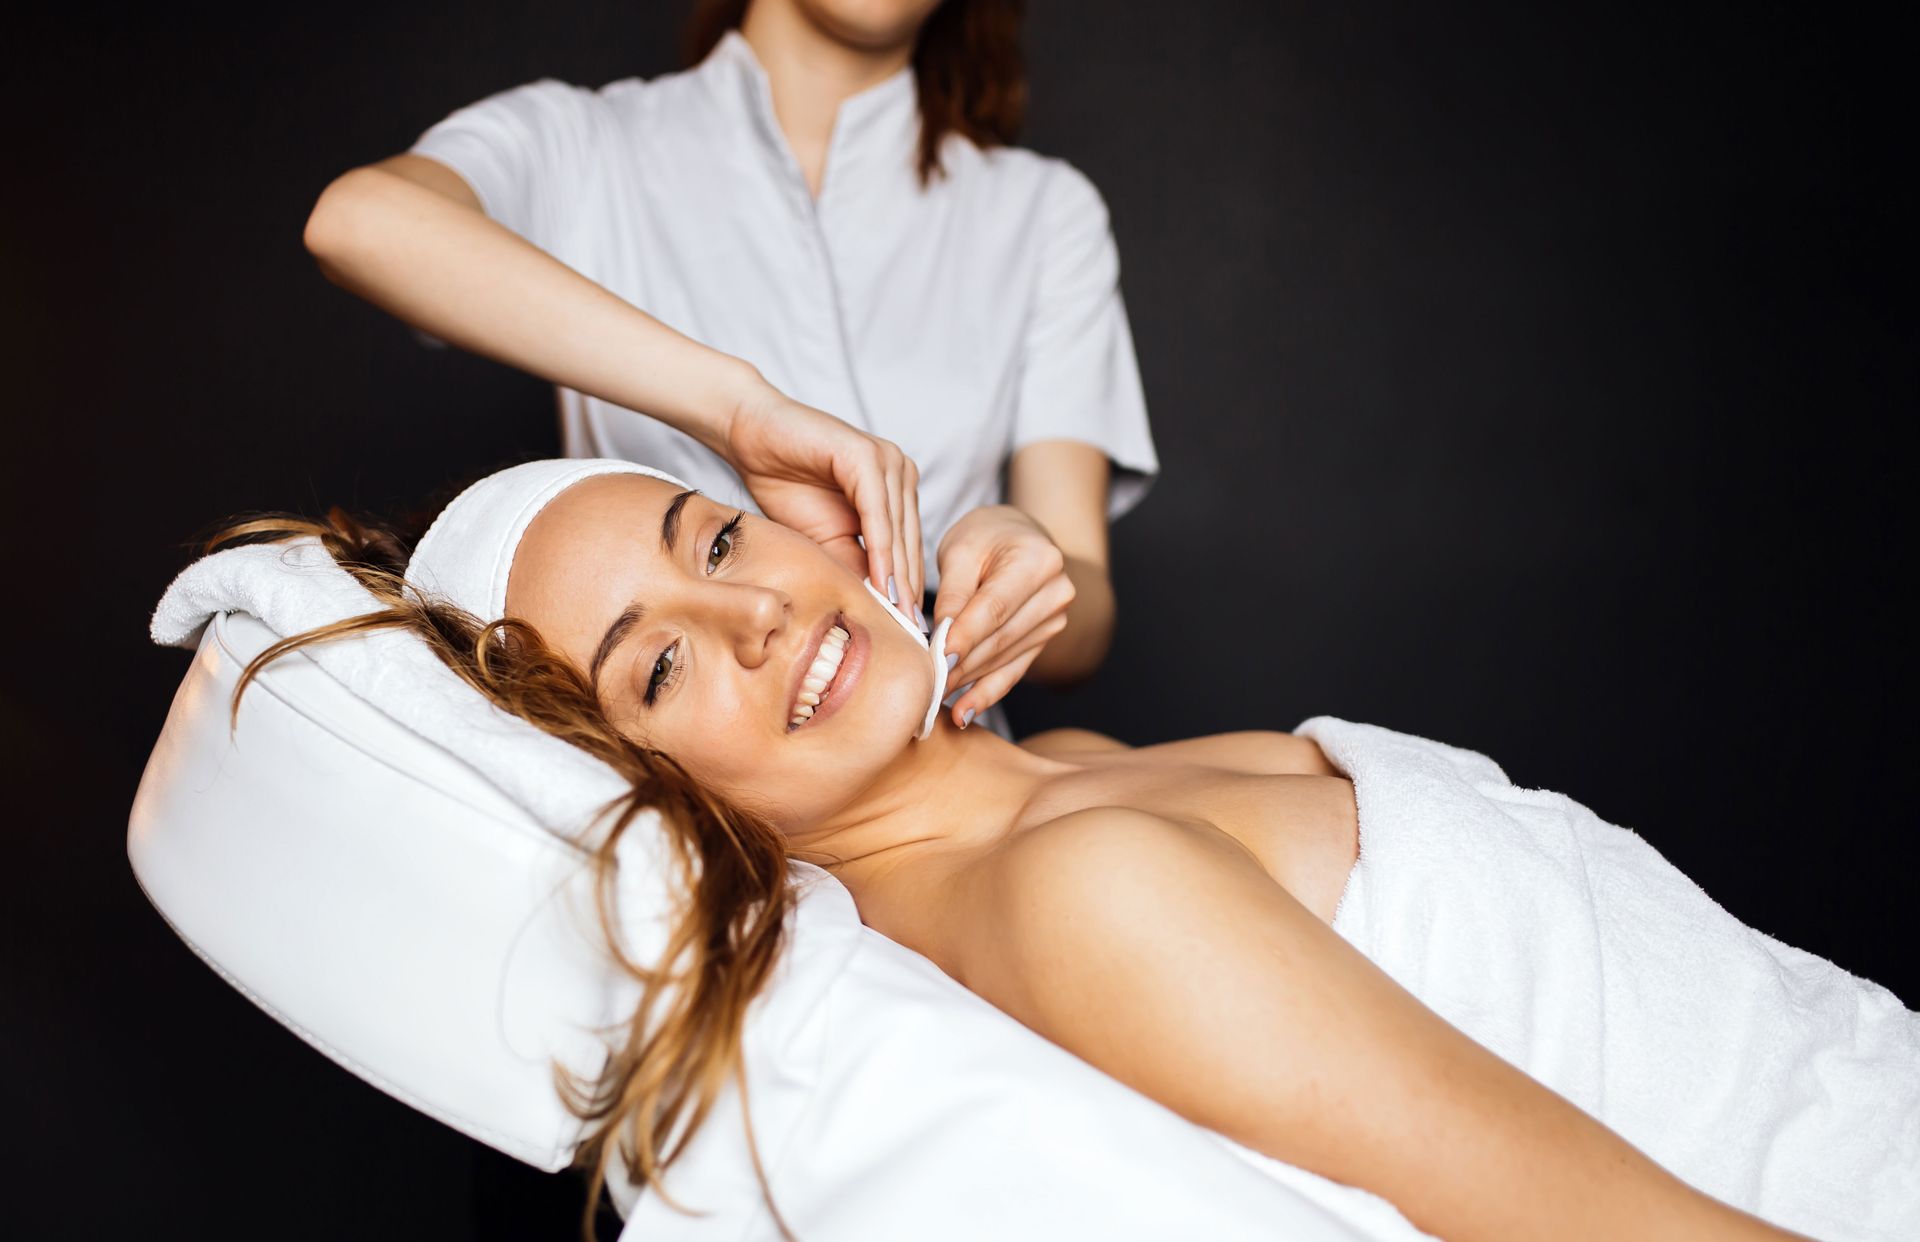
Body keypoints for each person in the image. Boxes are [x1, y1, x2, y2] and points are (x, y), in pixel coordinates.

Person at [209, 460, 1918, 1242]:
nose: (754, 611)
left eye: (716, 529)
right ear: (666, 809)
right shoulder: (1077, 896)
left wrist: (741, 404)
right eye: (659, 663)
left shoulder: (1072, 776)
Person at [301, 0, 1159, 736]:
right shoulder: (585, 143)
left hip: (958, 782)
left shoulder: (1044, 213)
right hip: (694, 818)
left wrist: (1025, 561)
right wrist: (734, 410)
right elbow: (360, 223)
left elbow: (1084, 609)